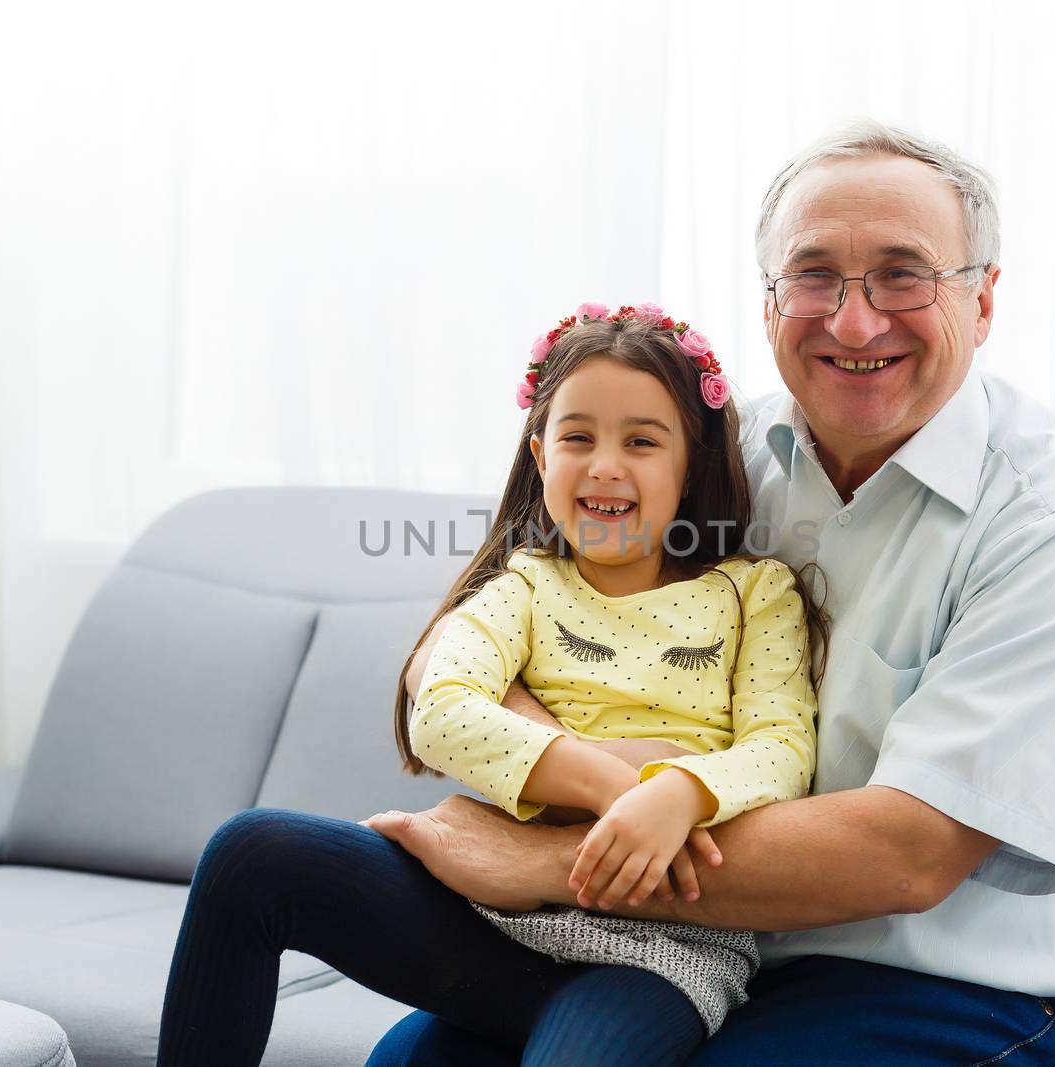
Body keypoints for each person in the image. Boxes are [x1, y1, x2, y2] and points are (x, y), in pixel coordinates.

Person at [363, 120, 1055, 1066]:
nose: (854, 321)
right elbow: (479, 632)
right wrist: (601, 774)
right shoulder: (710, 459)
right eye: (814, 276)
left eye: (903, 275)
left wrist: (544, 861)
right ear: (769, 298)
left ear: (983, 300)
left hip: (956, 989)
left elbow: (908, 853)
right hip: (702, 944)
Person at [156, 304, 822, 1066]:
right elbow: (440, 707)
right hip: (489, 918)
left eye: (641, 440)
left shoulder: (753, 592)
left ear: (693, 463)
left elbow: (782, 753)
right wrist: (617, 786)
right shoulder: (523, 587)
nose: (606, 463)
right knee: (252, 850)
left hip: (656, 955)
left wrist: (676, 795)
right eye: (578, 437)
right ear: (541, 458)